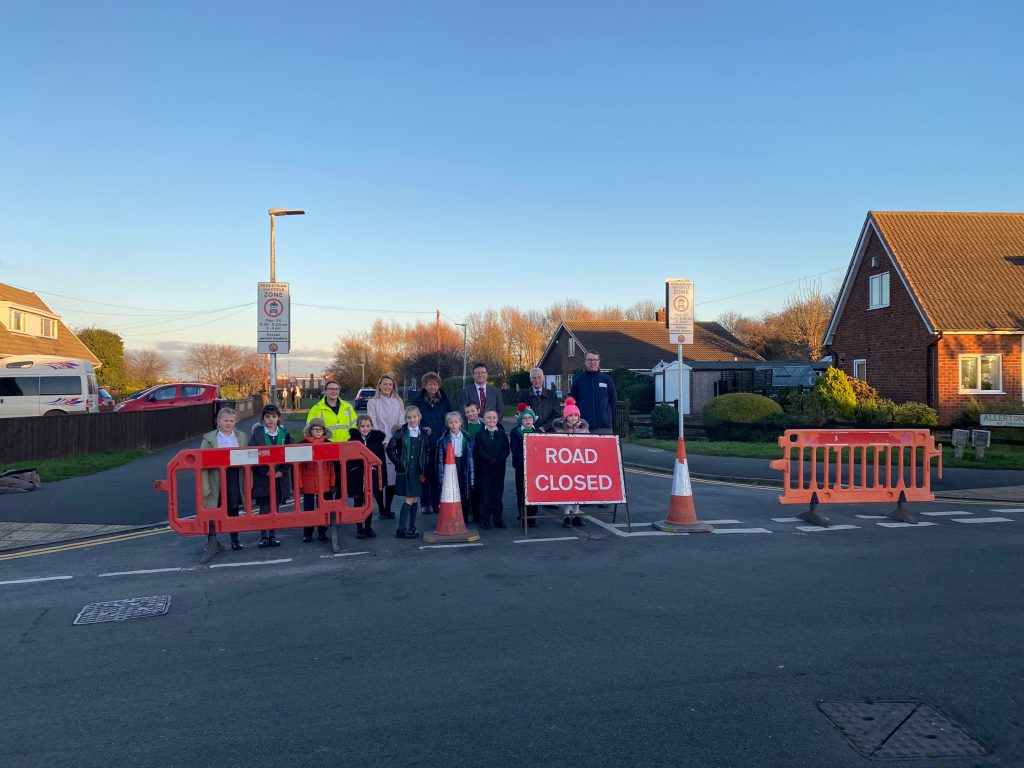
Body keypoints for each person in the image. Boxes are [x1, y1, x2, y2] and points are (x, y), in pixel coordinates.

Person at [200, 407, 249, 554]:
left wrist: (247, 483)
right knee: (213, 511)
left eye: (232, 421)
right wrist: (205, 486)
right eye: (225, 420)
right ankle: (212, 542)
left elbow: (247, 459)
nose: (228, 423)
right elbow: (202, 464)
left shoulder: (242, 437)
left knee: (233, 509)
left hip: (234, 476)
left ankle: (235, 540)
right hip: (215, 477)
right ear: (218, 422)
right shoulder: (209, 440)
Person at [250, 404, 294, 547]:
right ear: (263, 419)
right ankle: (263, 536)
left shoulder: (284, 434)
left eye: (274, 417)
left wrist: (281, 471)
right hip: (263, 477)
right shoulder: (257, 434)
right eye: (267, 416)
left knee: (275, 507)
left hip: (279, 477)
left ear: (278, 418)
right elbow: (251, 454)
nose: (270, 419)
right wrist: (265, 471)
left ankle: (273, 535)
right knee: (264, 507)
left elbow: (290, 456)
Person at [386, 405, 431, 540]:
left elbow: (427, 451)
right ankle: (401, 529)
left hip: (417, 471)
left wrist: (425, 465)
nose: (412, 420)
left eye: (414, 417)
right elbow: (390, 449)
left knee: (416, 497)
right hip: (406, 470)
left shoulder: (422, 432)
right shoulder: (401, 432)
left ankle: (412, 526)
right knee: (409, 498)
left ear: (419, 417)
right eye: (409, 417)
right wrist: (399, 463)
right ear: (405, 418)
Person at [410, 372, 452, 515]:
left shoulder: (444, 399)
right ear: (425, 386)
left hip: (440, 442)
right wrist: (422, 430)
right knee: (424, 475)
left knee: (437, 475)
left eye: (435, 384)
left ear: (438, 385)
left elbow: (449, 417)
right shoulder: (418, 401)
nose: (432, 386)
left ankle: (436, 502)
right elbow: (413, 419)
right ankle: (425, 503)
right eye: (429, 384)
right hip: (424, 443)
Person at [366, 373, 403, 519]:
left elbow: (400, 422)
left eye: (390, 384)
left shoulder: (398, 401)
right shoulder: (373, 402)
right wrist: (383, 441)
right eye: (385, 384)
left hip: (394, 443)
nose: (387, 387)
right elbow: (372, 423)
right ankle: (381, 507)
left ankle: (388, 507)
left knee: (392, 476)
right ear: (379, 386)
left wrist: (393, 442)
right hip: (378, 442)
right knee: (380, 476)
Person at [551, 397, 589, 528]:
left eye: (575, 415)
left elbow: (591, 445)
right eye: (570, 415)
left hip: (580, 464)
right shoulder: (560, 430)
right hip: (566, 465)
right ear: (565, 417)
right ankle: (567, 515)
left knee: (579, 490)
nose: (573, 418)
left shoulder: (584, 430)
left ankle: (577, 514)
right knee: (567, 491)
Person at [347, 415, 386, 539]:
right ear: (358, 427)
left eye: (367, 426)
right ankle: (359, 528)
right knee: (358, 501)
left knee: (369, 502)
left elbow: (381, 460)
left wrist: (382, 478)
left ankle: (368, 527)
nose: (365, 428)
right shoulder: (352, 441)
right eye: (362, 426)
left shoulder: (377, 441)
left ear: (372, 427)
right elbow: (348, 461)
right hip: (357, 476)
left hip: (372, 476)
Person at [472, 409, 509, 529]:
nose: (491, 420)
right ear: (484, 420)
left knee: (497, 496)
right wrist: (490, 460)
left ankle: (498, 519)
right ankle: (485, 519)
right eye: (488, 418)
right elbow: (479, 450)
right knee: (485, 496)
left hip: (499, 470)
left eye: (494, 418)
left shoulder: (502, 434)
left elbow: (505, 450)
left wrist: (499, 460)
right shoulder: (480, 434)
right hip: (485, 470)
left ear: (497, 419)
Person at [435, 411, 474, 522]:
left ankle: (464, 516)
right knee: (451, 490)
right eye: (450, 422)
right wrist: (441, 476)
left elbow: (470, 456)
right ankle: (451, 517)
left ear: (460, 423)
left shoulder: (467, 438)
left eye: (456, 422)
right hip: (450, 466)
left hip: (463, 464)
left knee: (463, 489)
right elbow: (440, 460)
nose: (453, 424)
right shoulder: (443, 440)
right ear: (447, 424)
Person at [299, 418, 333, 543]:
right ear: (310, 431)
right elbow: (299, 467)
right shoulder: (302, 445)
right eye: (315, 429)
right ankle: (307, 533)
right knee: (309, 508)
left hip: (325, 481)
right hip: (309, 480)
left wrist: (333, 482)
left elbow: (332, 466)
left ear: (324, 431)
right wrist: (300, 484)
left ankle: (322, 532)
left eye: (320, 429)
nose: (318, 431)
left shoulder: (329, 444)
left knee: (324, 508)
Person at [570, 350, 617, 435]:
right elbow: (572, 403)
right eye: (589, 360)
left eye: (595, 360)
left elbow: (613, 401)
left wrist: (606, 415)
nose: (592, 362)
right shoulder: (578, 381)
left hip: (604, 428)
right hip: (582, 428)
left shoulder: (607, 380)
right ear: (585, 361)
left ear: (599, 361)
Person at [510, 404, 540, 527]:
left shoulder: (537, 431)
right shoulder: (516, 432)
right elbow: (515, 450)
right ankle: (523, 515)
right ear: (520, 420)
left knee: (534, 492)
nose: (527, 420)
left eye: (529, 418)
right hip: (521, 467)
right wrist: (523, 462)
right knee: (521, 491)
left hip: (535, 468)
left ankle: (532, 516)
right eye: (525, 418)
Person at [517, 367, 559, 432]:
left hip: (549, 431)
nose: (537, 381)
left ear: (543, 379)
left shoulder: (552, 395)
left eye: (539, 377)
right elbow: (521, 415)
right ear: (530, 379)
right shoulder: (524, 396)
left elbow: (556, 414)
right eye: (534, 378)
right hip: (530, 431)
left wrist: (544, 427)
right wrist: (534, 428)